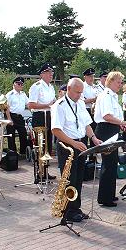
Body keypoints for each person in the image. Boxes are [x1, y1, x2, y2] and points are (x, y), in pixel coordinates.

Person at [51, 78, 102, 222]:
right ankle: (67, 211)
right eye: (77, 92)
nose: (80, 95)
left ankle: (75, 208)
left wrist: (93, 138)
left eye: (81, 92)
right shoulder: (59, 105)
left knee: (79, 178)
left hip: (80, 144)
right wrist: (73, 143)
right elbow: (56, 130)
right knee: (69, 180)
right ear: (68, 89)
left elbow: (86, 124)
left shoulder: (80, 103)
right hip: (67, 146)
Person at [94, 71, 126, 207]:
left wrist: (120, 124)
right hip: (105, 130)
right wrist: (123, 123)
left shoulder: (112, 96)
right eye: (118, 82)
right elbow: (107, 116)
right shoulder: (106, 96)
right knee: (108, 164)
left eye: (121, 82)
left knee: (112, 164)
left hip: (111, 129)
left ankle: (109, 194)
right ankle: (104, 198)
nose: (120, 85)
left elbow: (113, 117)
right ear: (110, 81)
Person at [28, 63, 56, 179]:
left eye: (52, 72)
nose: (51, 74)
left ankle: (45, 171)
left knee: (48, 145)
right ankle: (39, 172)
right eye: (48, 72)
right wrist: (47, 105)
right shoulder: (37, 86)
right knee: (41, 145)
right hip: (40, 116)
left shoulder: (51, 87)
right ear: (42, 74)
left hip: (49, 116)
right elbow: (31, 105)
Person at [5, 76, 29, 157]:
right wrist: (9, 119)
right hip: (11, 116)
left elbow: (28, 104)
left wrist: (34, 111)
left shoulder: (23, 94)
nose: (20, 85)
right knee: (11, 136)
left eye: (21, 84)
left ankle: (23, 153)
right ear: (14, 84)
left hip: (19, 117)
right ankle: (13, 154)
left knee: (23, 134)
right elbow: (6, 108)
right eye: (18, 83)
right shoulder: (9, 94)